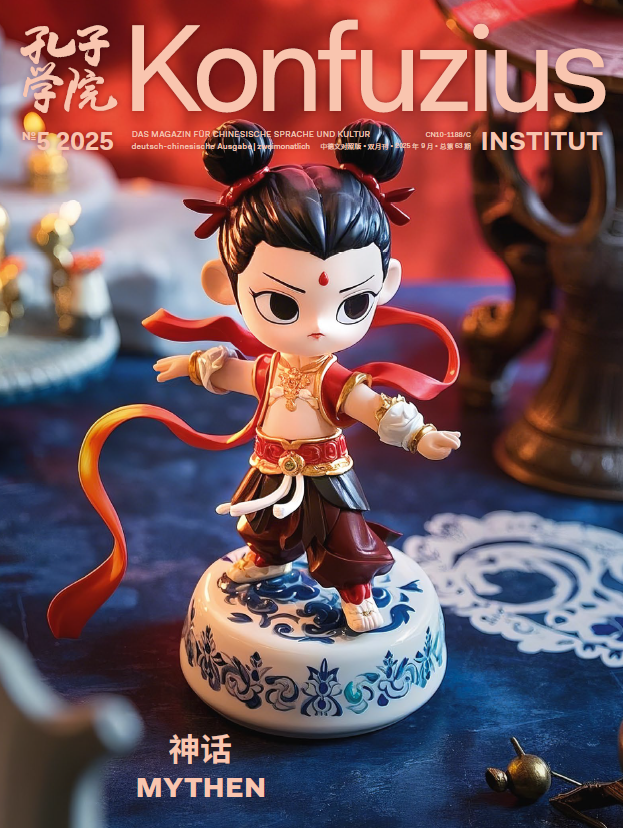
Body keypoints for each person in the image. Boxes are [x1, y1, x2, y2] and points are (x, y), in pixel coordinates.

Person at [47, 118, 460, 640]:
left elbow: (375, 408)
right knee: (263, 524)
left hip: (326, 472)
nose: (320, 325)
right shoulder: (273, 369)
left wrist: (420, 435)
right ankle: (267, 559)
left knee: (343, 540)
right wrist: (192, 365)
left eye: (352, 303)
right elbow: (237, 373)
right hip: (269, 461)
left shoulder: (333, 380)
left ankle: (356, 592)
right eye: (284, 305)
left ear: (386, 285)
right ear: (224, 286)